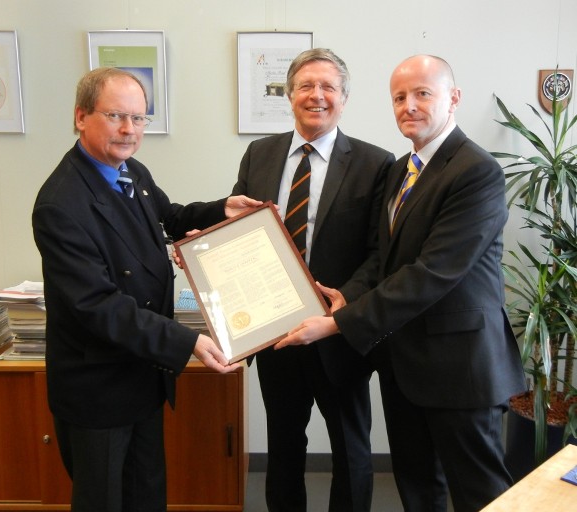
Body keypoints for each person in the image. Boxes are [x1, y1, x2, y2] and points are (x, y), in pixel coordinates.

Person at [275, 55, 527, 512]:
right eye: (399, 97)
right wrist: (346, 294)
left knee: (481, 496)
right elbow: (384, 259)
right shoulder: (401, 170)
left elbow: (432, 273)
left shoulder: (476, 171)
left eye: (422, 94)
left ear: (453, 98)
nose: (409, 106)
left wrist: (339, 321)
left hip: (461, 370)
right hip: (405, 367)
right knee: (418, 493)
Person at [32, 67, 261, 512]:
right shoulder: (61, 204)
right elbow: (98, 306)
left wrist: (222, 208)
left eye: (139, 119)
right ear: (81, 116)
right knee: (105, 501)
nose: (129, 130)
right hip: (97, 389)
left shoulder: (129, 169)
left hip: (142, 375)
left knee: (146, 495)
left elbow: (169, 215)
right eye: (116, 115)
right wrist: (188, 341)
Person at [231, 48, 394, 512]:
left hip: (338, 333)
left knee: (350, 449)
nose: (316, 96)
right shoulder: (259, 154)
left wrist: (344, 304)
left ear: (344, 99)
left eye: (328, 87)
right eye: (306, 86)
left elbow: (378, 252)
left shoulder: (375, 162)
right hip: (275, 331)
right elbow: (240, 231)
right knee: (283, 446)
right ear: (289, 94)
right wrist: (209, 252)